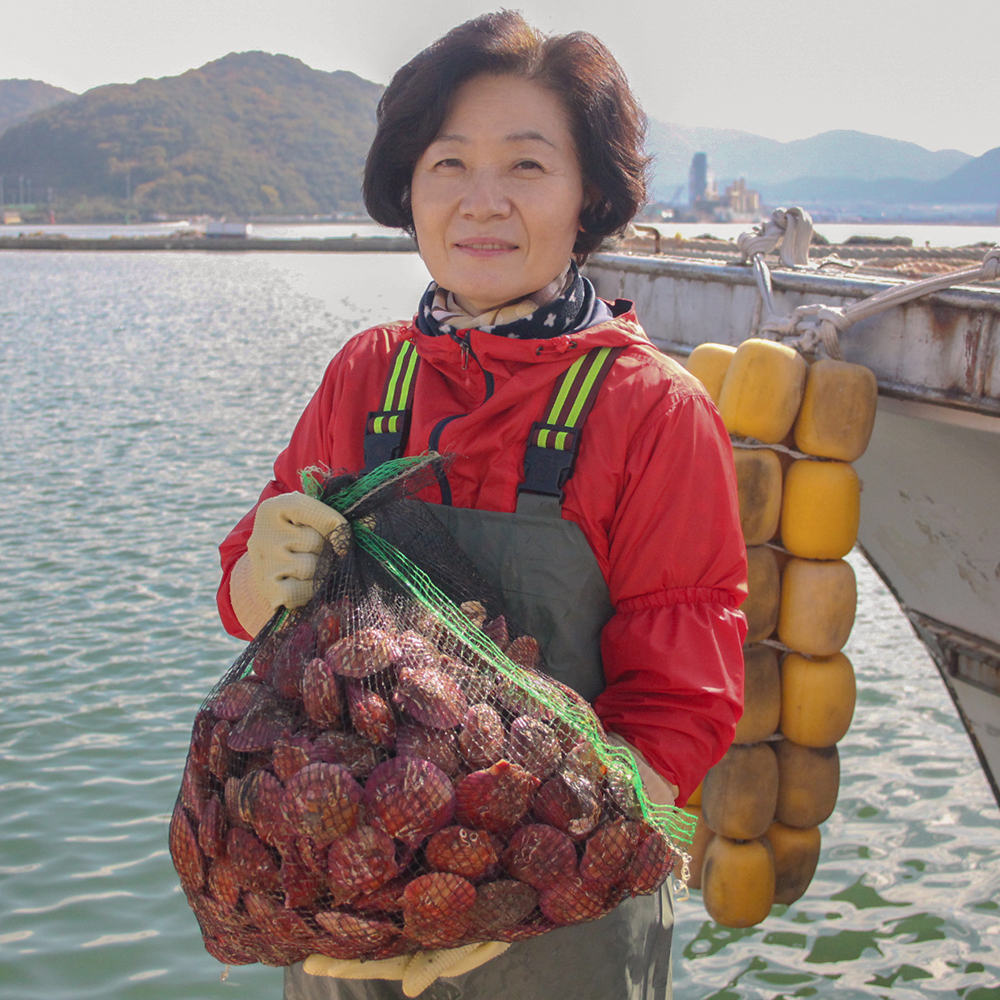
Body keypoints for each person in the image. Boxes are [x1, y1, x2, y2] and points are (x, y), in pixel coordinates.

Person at [216, 12, 747, 1000]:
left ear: (588, 194)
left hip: (563, 921)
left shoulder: (651, 411)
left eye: (528, 166)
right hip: (352, 905)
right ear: (409, 190)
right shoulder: (367, 374)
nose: (482, 200)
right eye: (448, 163)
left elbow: (679, 714)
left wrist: (515, 881)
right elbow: (248, 608)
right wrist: (257, 569)